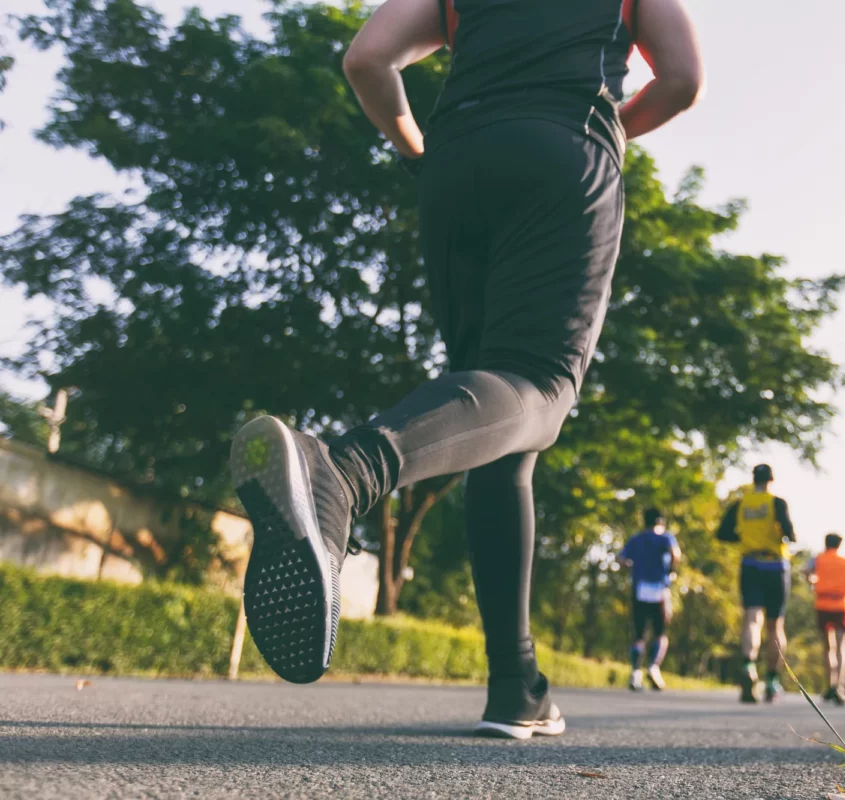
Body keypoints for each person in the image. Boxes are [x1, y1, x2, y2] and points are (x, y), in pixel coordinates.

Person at [228, 0, 703, 740]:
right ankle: (346, 474)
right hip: (564, 146)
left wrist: (417, 144)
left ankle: (516, 687)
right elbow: (680, 79)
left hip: (456, 163)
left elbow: (366, 59)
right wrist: (610, 129)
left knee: (498, 421)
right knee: (539, 388)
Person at [716, 464, 796, 703]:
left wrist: (744, 536)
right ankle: (772, 681)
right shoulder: (777, 503)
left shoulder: (741, 504)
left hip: (750, 564)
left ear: (753, 480)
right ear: (771, 480)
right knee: (775, 626)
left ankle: (748, 666)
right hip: (775, 566)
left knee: (752, 619)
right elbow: (791, 535)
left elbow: (722, 533)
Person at [618, 508, 682, 691]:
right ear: (660, 520)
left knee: (639, 633)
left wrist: (631, 566)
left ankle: (635, 672)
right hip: (660, 589)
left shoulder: (636, 539)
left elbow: (621, 558)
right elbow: (676, 554)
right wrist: (671, 571)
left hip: (640, 589)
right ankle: (654, 667)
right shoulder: (665, 537)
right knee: (660, 632)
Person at [804, 533, 845, 704]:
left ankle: (831, 684)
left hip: (823, 604)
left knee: (828, 647)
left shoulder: (818, 559)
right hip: (842, 605)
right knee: (841, 646)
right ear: (839, 545)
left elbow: (807, 571)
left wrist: (813, 582)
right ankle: (840, 686)